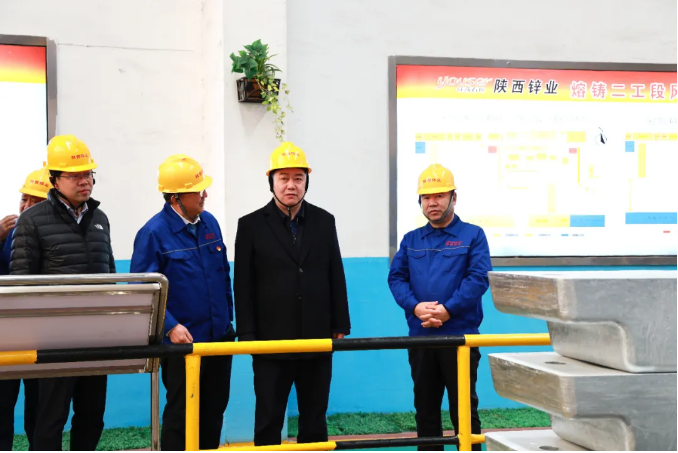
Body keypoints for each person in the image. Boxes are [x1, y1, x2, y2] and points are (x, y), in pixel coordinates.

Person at [234, 142, 351, 446]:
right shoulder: (250, 225)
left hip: (316, 336)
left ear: (306, 182)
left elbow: (335, 272)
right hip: (270, 341)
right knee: (269, 416)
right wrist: (247, 332)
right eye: (283, 178)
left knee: (315, 416)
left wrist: (340, 322)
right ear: (271, 182)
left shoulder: (324, 221)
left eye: (298, 178)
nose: (291, 185)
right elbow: (243, 284)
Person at [10, 135, 115, 451]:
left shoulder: (100, 219)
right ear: (55, 179)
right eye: (75, 175)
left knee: (92, 417)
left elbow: (110, 276)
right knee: (49, 419)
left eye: (88, 174)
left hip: (95, 339)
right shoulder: (32, 221)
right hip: (52, 341)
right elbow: (21, 284)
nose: (85, 181)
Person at [130, 154, 234, 451]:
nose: (205, 194)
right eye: (197, 190)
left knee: (214, 410)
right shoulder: (153, 233)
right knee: (181, 413)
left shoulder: (210, 223)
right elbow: (141, 289)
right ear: (176, 198)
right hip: (182, 345)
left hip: (219, 339)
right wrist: (170, 326)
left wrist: (228, 320)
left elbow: (222, 274)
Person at [388, 164, 492, 451]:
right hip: (421, 338)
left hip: (460, 339)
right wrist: (415, 307)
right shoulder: (411, 240)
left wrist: (448, 310)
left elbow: (478, 278)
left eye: (439, 196)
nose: (432, 203)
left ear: (453, 198)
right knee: (425, 411)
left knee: (464, 412)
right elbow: (396, 278)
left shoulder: (473, 235)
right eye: (426, 197)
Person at [0, 166, 52, 450]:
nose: (27, 206)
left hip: (41, 335)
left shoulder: (56, 237)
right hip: (6, 336)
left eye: (36, 201)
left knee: (40, 407)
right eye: (24, 199)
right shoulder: (6, 234)